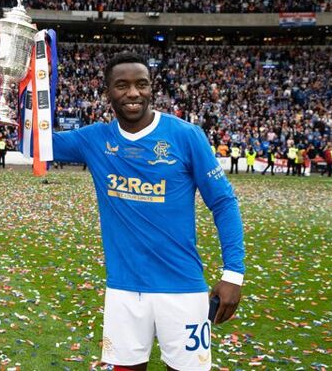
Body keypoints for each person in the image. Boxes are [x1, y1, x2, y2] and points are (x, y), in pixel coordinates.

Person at [52, 53, 244, 371]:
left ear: (151, 88)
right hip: (123, 289)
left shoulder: (186, 136)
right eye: (122, 85)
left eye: (141, 84)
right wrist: (20, 93)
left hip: (183, 289)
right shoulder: (94, 139)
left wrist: (233, 274)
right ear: (107, 92)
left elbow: (223, 202)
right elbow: (33, 145)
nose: (133, 93)